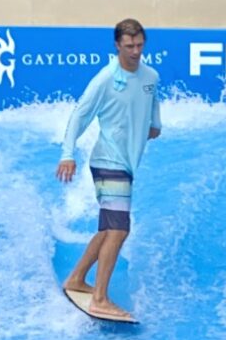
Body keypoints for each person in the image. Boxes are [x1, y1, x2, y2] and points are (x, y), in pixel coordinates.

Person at [56, 18, 162, 321]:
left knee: (108, 229)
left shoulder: (150, 75)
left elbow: (152, 100)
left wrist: (155, 124)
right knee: (119, 229)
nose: (135, 51)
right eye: (129, 46)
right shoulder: (105, 78)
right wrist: (67, 154)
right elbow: (80, 115)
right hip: (107, 161)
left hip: (126, 163)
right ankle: (100, 298)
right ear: (117, 45)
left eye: (140, 45)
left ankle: (76, 279)